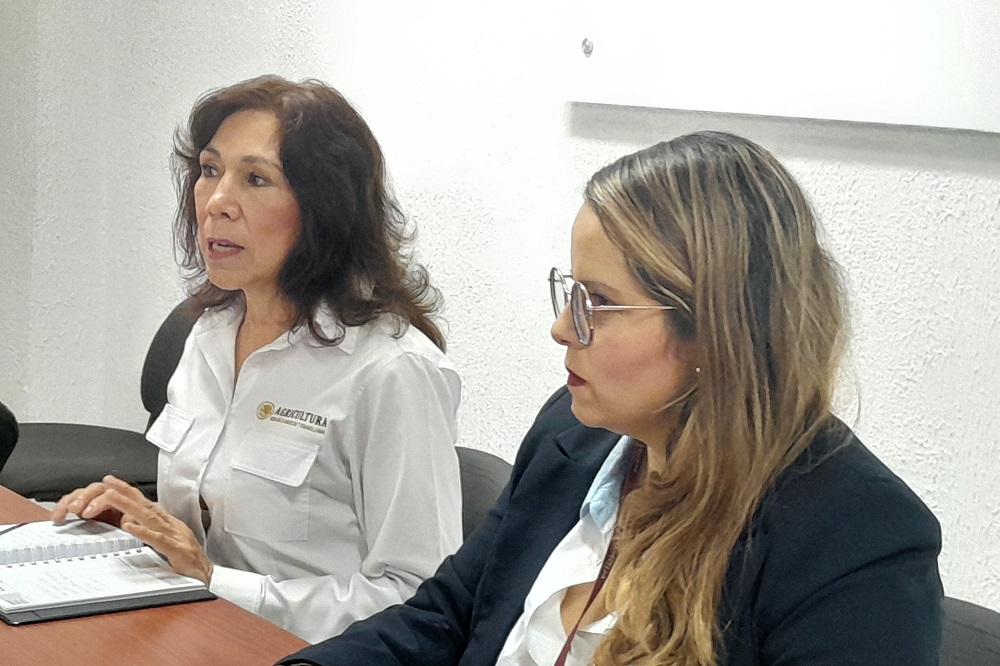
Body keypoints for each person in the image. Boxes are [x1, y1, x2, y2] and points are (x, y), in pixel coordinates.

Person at [280, 131, 942, 665]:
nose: (562, 328)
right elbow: (446, 618)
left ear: (718, 327)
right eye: (571, 292)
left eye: (597, 302)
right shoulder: (572, 435)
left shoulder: (856, 538)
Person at [50, 75, 464, 643]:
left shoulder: (391, 371)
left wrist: (216, 582)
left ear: (322, 208)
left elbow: (419, 604)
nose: (217, 203)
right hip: (191, 633)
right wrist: (141, 526)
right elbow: (213, 534)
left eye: (256, 179)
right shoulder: (210, 332)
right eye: (210, 170)